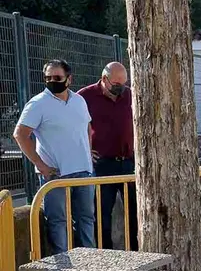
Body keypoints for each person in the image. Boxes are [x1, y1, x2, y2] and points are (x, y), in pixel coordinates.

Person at [12, 59, 95, 253]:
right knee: (58, 221)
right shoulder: (38, 103)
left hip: (83, 172)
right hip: (55, 174)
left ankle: (89, 259)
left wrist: (87, 152)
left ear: (69, 79)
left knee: (86, 218)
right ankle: (63, 262)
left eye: (57, 77)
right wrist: (40, 165)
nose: (52, 81)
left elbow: (87, 127)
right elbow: (20, 134)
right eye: (48, 78)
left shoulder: (79, 101)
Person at [78, 62, 138, 251]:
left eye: (124, 83)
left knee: (136, 212)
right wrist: (85, 150)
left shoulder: (130, 95)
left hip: (129, 163)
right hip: (102, 164)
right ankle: (106, 254)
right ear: (104, 79)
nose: (121, 87)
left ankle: (137, 252)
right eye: (116, 83)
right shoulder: (84, 97)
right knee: (102, 214)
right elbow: (74, 127)